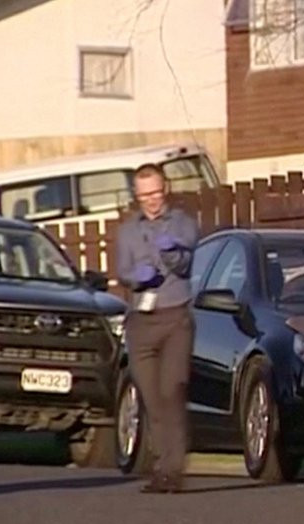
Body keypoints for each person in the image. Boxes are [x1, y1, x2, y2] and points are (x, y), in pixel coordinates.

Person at [116, 164, 199, 494]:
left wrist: (172, 253)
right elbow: (122, 272)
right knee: (150, 396)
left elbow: (187, 263)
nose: (151, 200)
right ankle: (161, 464)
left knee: (172, 390)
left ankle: (173, 470)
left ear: (166, 189)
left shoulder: (182, 223)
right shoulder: (127, 231)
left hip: (174, 317)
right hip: (141, 321)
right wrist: (137, 276)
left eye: (156, 192)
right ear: (136, 196)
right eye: (144, 195)